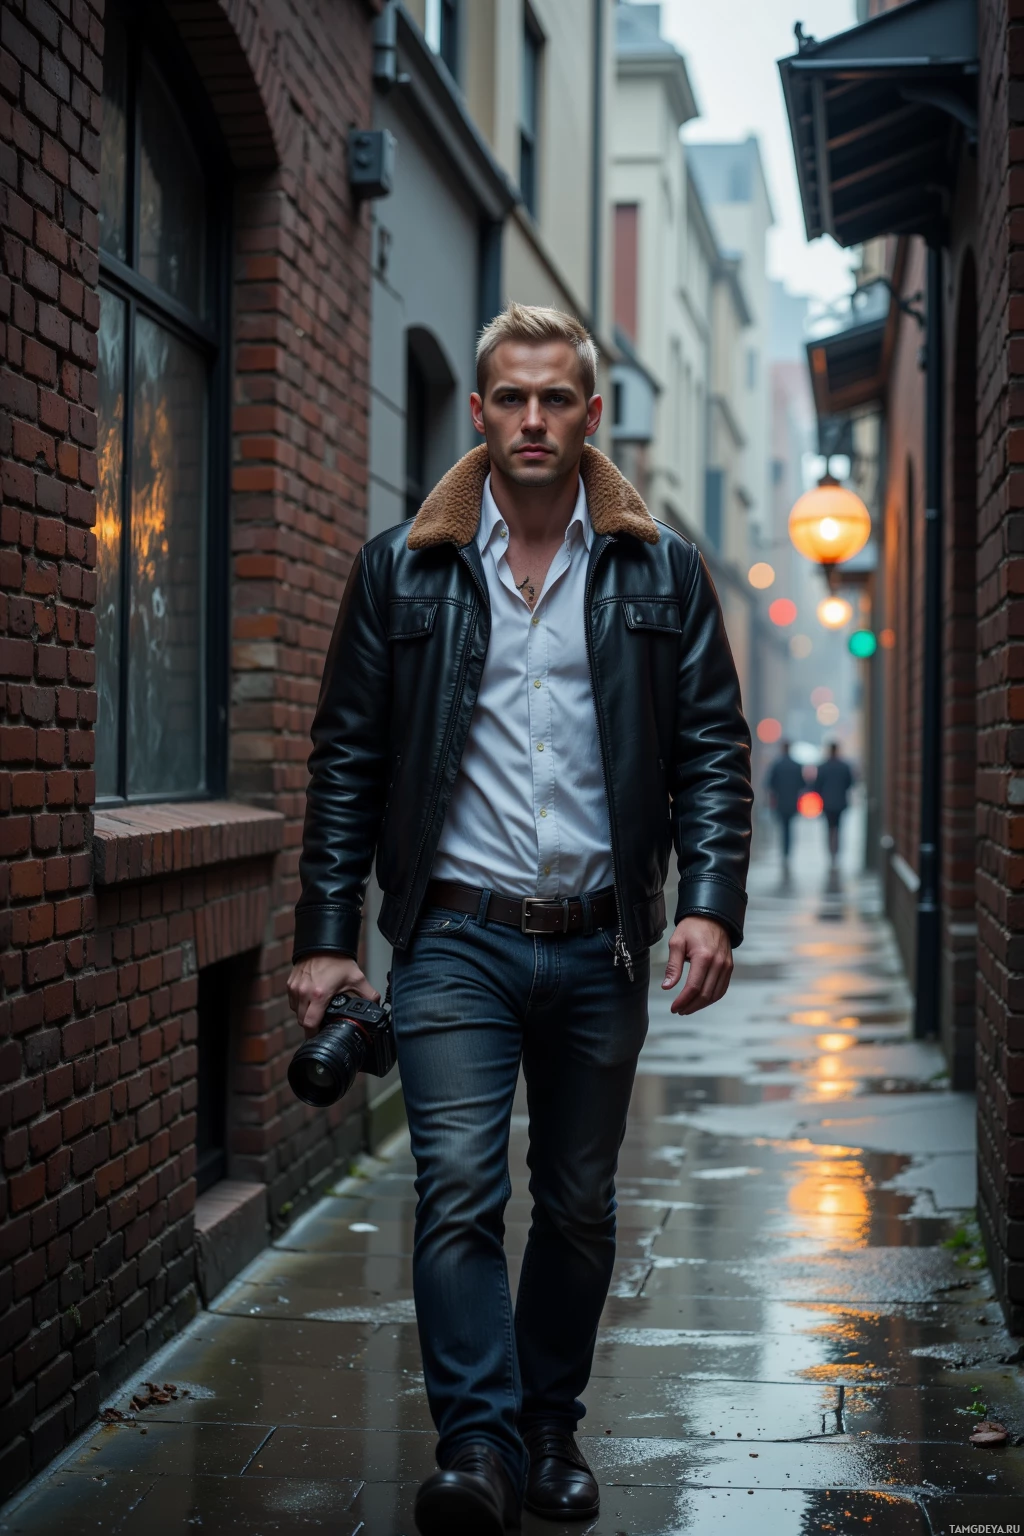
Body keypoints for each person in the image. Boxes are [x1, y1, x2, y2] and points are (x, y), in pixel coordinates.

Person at [287, 303, 752, 1536]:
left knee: (579, 1201)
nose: (532, 419)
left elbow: (712, 750)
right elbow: (346, 757)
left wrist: (706, 904)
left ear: (590, 416)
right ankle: (479, 1447)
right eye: (510, 398)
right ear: (481, 410)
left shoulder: (657, 568)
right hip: (452, 938)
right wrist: (329, 935)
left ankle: (552, 1430)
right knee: (453, 1188)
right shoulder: (404, 568)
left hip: (601, 940)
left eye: (555, 399)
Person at [765, 739, 805, 874]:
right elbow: (802, 785)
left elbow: (770, 784)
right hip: (792, 803)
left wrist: (772, 800)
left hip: (780, 802)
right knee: (789, 829)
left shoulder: (777, 765)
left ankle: (784, 854)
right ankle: (788, 853)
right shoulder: (796, 766)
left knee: (783, 828)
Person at [815, 741, 855, 866]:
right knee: (838, 828)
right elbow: (850, 783)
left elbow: (817, 785)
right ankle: (836, 852)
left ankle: (831, 853)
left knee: (829, 828)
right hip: (840, 803)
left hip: (827, 803)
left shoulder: (823, 767)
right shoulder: (844, 766)